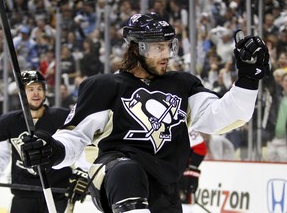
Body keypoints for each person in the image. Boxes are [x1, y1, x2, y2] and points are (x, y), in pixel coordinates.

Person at [20, 13, 269, 213]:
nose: (166, 55)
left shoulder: (182, 84)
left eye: (169, 46)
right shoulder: (105, 86)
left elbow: (222, 117)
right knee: (128, 169)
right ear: (137, 49)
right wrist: (51, 149)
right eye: (158, 47)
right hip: (114, 177)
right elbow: (74, 137)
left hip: (164, 186)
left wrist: (247, 78)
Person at [0, 70, 88, 213]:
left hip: (57, 193)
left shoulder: (62, 117)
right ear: (21, 93)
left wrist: (84, 172)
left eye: (39, 88)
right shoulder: (8, 122)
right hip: (23, 194)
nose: (36, 93)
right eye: (31, 89)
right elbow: (0, 157)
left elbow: (80, 146)